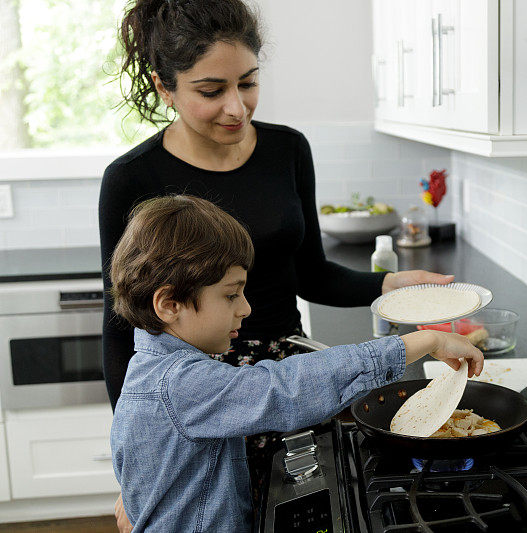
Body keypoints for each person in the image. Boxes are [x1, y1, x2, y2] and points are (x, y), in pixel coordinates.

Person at [100, 0, 456, 519]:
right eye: (210, 91)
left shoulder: (286, 150)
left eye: (247, 82)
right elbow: (121, 328)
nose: (237, 108)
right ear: (164, 86)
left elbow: (310, 273)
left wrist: (389, 285)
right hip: (208, 396)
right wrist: (136, 471)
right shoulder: (132, 178)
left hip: (291, 381)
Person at [109, 194, 483, 532]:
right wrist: (422, 340)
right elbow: (285, 389)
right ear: (169, 304)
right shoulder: (179, 384)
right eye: (230, 295)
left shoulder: (150, 368)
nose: (246, 308)